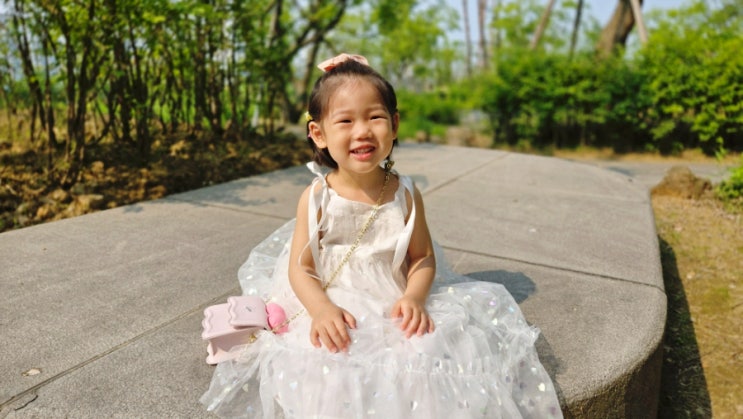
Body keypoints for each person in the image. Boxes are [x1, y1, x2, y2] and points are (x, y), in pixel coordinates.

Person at [200, 53, 562, 418]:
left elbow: (422, 257)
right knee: (332, 356)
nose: (362, 131)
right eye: (345, 121)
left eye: (374, 117)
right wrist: (321, 309)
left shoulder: (405, 193)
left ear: (395, 123)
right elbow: (301, 267)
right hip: (331, 294)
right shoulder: (318, 197)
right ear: (319, 134)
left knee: (428, 350)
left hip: (391, 294)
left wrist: (415, 297)